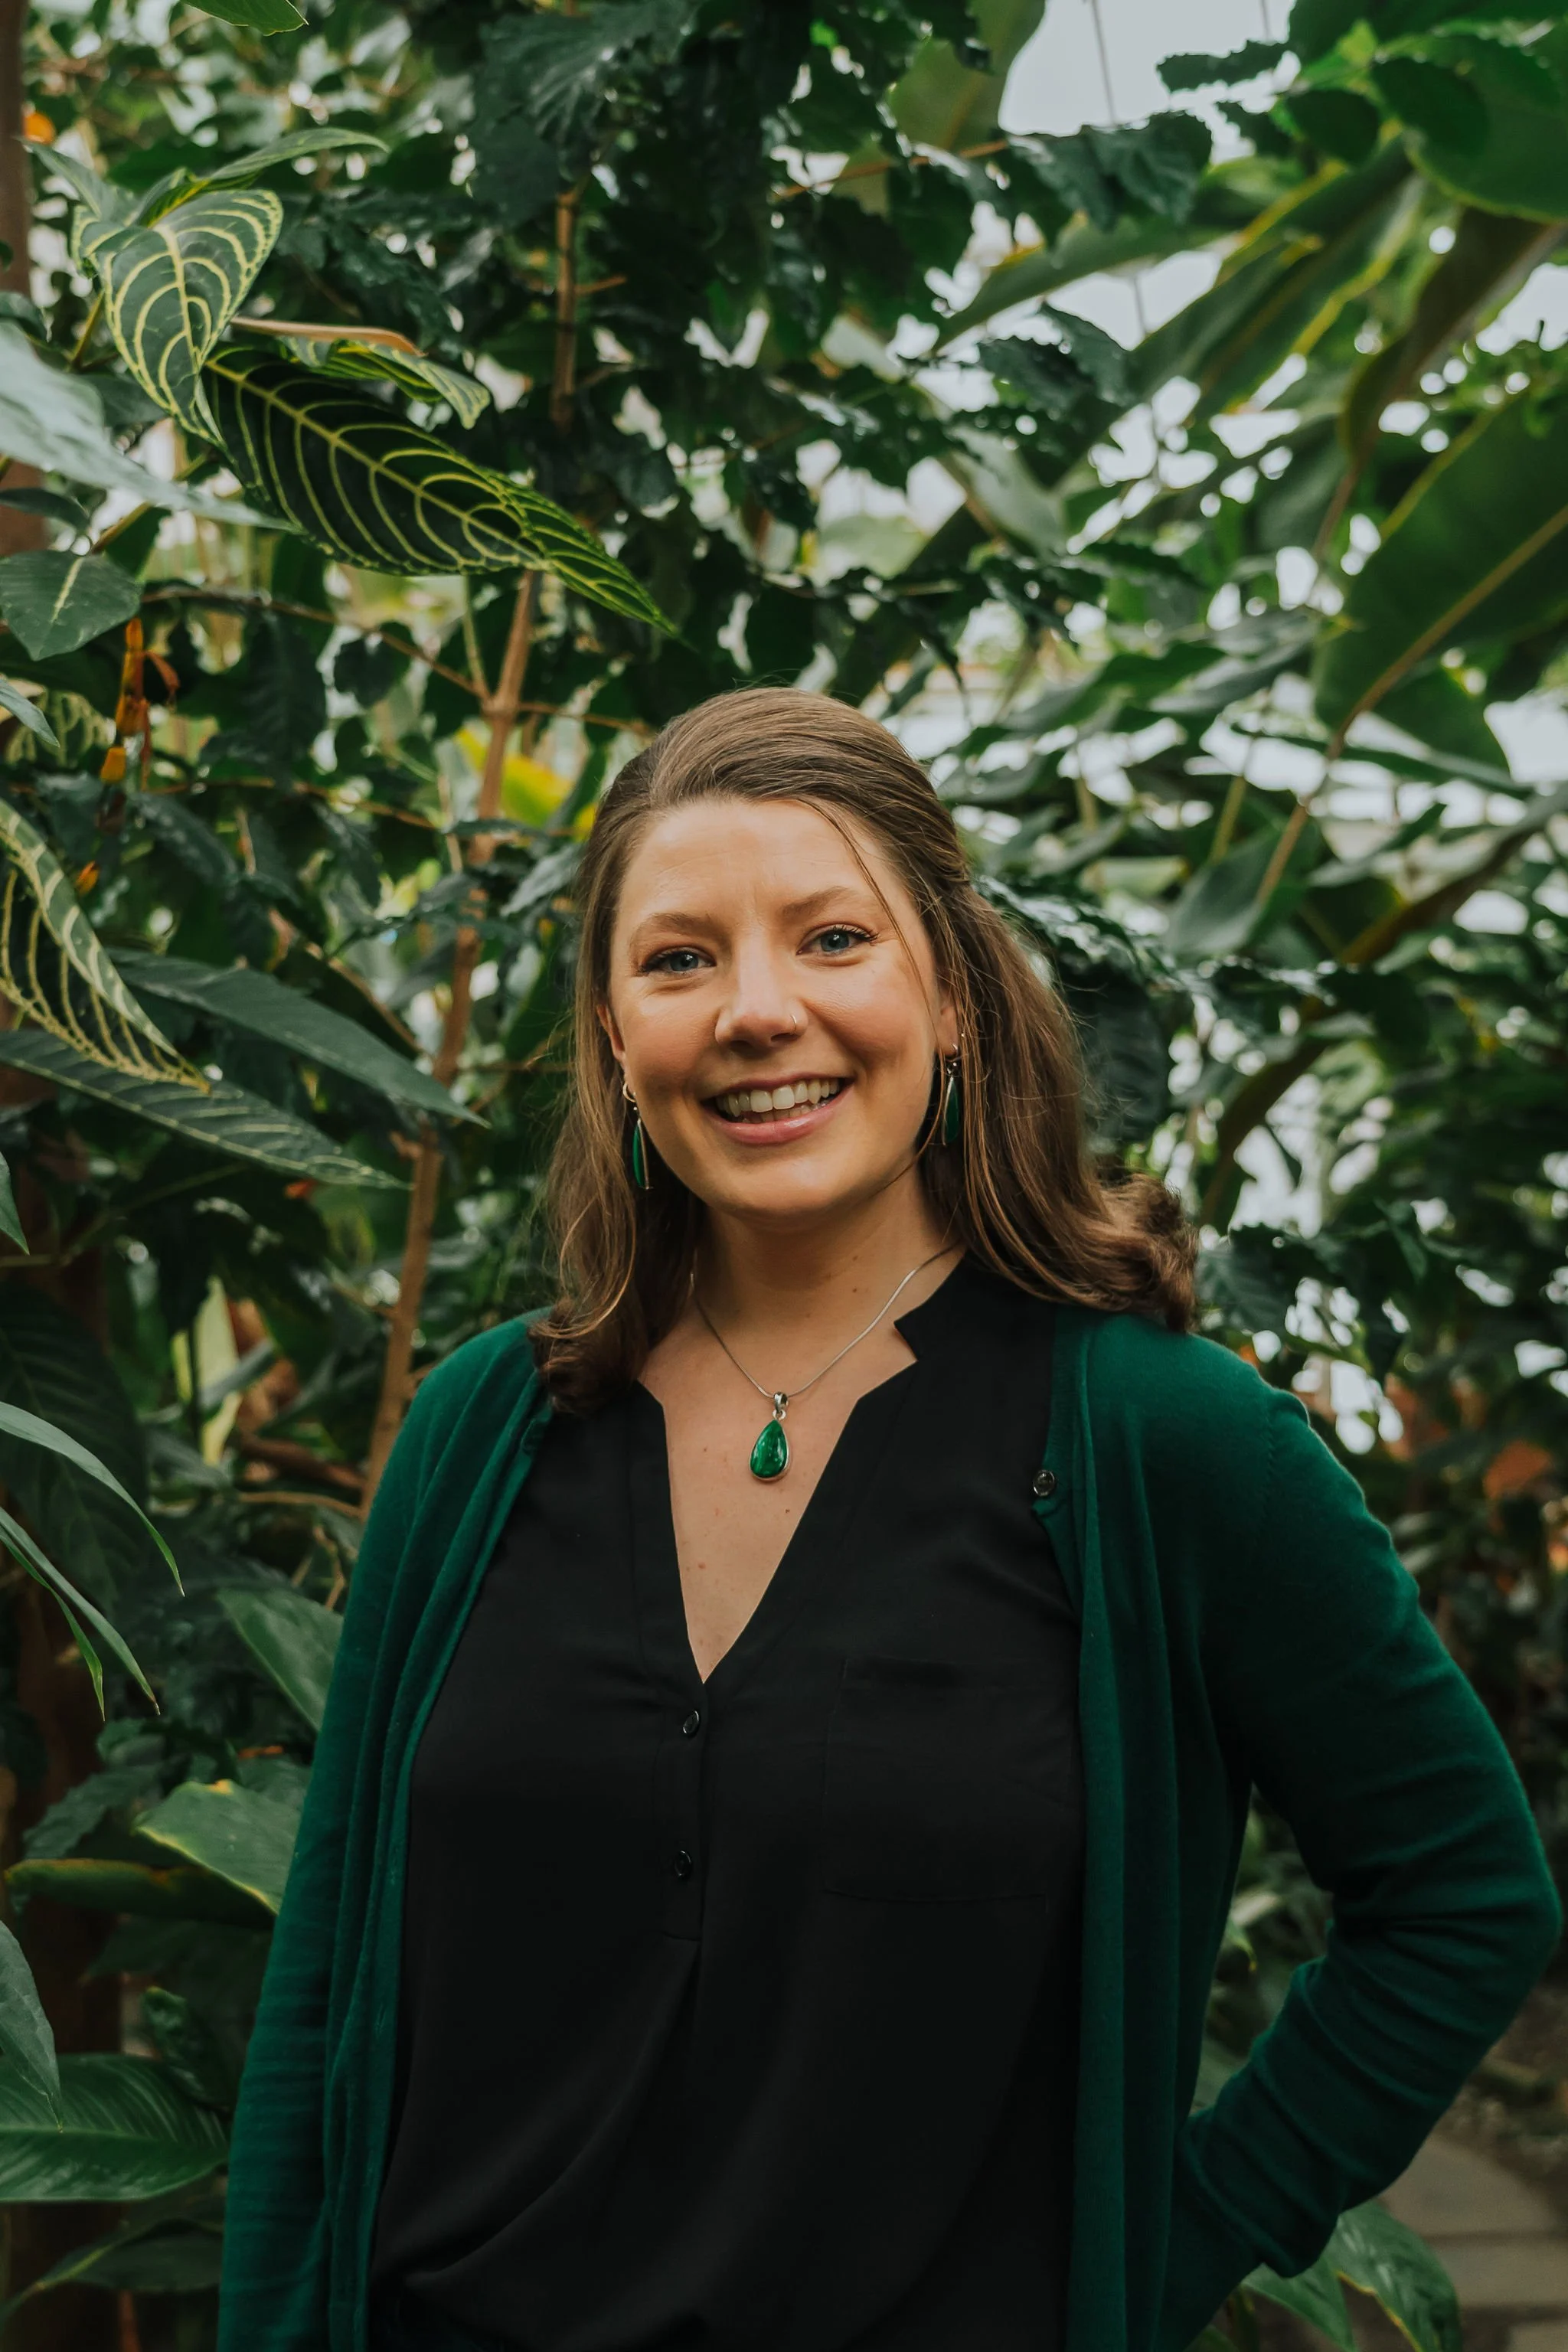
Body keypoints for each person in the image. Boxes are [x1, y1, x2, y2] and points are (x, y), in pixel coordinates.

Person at [218, 688, 1560, 2352]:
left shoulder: (1159, 1439)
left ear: (954, 997)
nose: (757, 1011)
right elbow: (331, 1966)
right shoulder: (488, 1427)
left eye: (831, 936)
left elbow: (1461, 1893)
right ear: (616, 1042)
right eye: (679, 958)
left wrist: (1165, 2247)